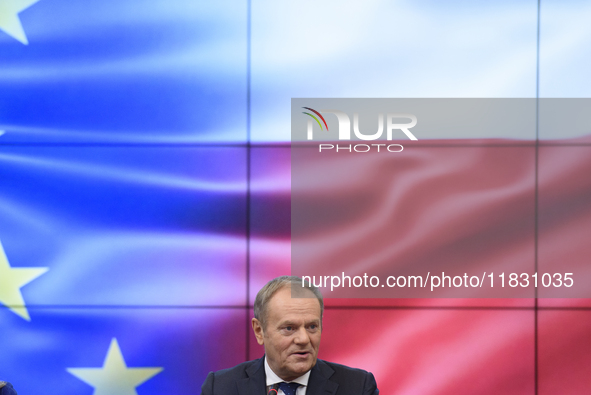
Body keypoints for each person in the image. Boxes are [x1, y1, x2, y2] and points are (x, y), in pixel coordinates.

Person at [201, 276, 379, 395]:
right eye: (289, 328)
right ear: (259, 331)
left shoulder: (358, 387)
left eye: (311, 326)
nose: (303, 339)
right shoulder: (220, 388)